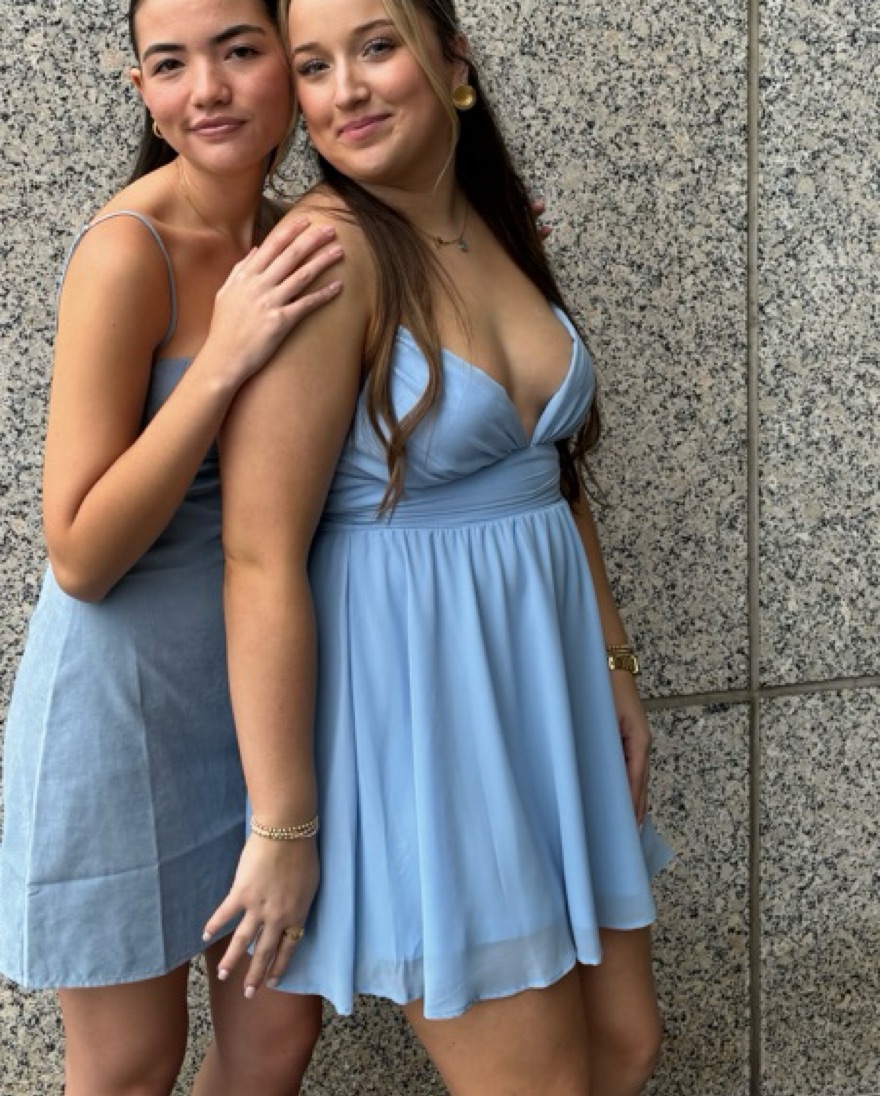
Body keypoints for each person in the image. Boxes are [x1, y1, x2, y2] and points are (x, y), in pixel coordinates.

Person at [205, 1, 673, 1093]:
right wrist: (283, 825)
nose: (347, 89)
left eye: (376, 47)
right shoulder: (328, 254)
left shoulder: (491, 223)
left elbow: (549, 471)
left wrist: (613, 663)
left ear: (452, 62)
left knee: (626, 1046)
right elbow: (259, 556)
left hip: (546, 694)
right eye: (313, 66)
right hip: (427, 714)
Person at [0, 1, 342, 1093]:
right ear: (141, 91)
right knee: (131, 1065)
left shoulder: (302, 237)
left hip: (263, 700)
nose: (208, 89)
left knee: (276, 1040)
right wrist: (224, 354)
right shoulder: (126, 252)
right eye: (171, 64)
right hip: (124, 708)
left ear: (288, 64)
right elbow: (79, 554)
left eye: (239, 51)